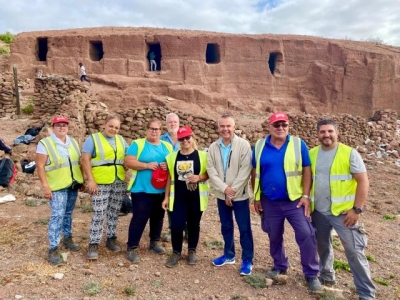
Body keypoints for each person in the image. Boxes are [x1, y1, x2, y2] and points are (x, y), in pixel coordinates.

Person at [251, 111, 322, 292]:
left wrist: (306, 196)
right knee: (273, 235)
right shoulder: (259, 145)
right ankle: (280, 265)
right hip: (269, 201)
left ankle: (311, 274)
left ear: (288, 126)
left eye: (284, 125)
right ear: (270, 127)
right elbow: (255, 172)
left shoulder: (298, 144)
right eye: (277, 125)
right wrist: (256, 197)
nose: (280, 128)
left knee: (306, 233)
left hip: (294, 201)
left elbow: (307, 170)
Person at [310, 119, 376, 300]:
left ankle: (366, 293)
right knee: (323, 247)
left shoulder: (349, 153)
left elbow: (363, 181)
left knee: (354, 251)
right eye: (322, 132)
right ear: (317, 134)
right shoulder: (312, 154)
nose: (326, 135)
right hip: (320, 212)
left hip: (343, 214)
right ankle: (327, 278)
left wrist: (357, 209)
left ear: (337, 133)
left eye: (330, 131)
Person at [207, 114, 254, 276]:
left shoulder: (244, 145)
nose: (225, 129)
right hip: (221, 195)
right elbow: (211, 171)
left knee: (244, 228)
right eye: (222, 126)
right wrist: (224, 189)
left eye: (228, 126)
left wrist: (232, 191)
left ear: (234, 127)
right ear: (218, 128)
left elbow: (245, 170)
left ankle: (247, 260)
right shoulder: (213, 147)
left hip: (239, 195)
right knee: (226, 226)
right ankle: (229, 255)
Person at [35, 116, 84, 265]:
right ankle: (53, 248)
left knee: (68, 213)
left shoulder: (73, 142)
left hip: (72, 184)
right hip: (56, 186)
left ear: (68, 127)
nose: (62, 127)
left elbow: (78, 163)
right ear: (53, 127)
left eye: (64, 125)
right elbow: (40, 166)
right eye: (58, 125)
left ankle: (67, 238)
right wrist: (45, 186)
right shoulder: (45, 143)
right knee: (57, 215)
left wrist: (81, 180)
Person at [124, 118, 173, 263]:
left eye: (157, 129)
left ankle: (154, 242)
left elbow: (173, 163)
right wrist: (146, 165)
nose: (154, 131)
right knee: (139, 218)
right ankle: (132, 247)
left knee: (158, 218)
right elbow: (128, 161)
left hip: (161, 189)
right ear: (146, 130)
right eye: (151, 128)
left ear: (161, 131)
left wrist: (167, 166)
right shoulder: (138, 144)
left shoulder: (167, 146)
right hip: (141, 189)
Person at [81, 114, 129, 260]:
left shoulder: (121, 140)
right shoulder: (93, 139)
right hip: (99, 181)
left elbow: (129, 156)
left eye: (116, 127)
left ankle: (111, 238)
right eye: (111, 126)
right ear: (105, 125)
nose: (113, 129)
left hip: (118, 180)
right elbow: (85, 159)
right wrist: (90, 180)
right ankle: (93, 244)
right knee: (99, 213)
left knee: (114, 211)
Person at [162, 126, 209, 267]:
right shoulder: (171, 157)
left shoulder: (203, 156)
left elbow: (209, 174)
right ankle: (176, 252)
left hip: (196, 198)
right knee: (176, 225)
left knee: (194, 225)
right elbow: (170, 178)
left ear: (192, 137)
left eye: (187, 137)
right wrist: (166, 198)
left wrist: (199, 177)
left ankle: (192, 251)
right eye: (181, 139)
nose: (185, 141)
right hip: (178, 198)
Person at [160, 113, 180, 242]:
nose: (172, 124)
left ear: (179, 123)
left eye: (175, 122)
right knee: (170, 203)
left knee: (186, 203)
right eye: (170, 122)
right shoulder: (161, 139)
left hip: (183, 176)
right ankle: (172, 229)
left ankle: (187, 230)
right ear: (166, 124)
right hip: (167, 177)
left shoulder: (185, 137)